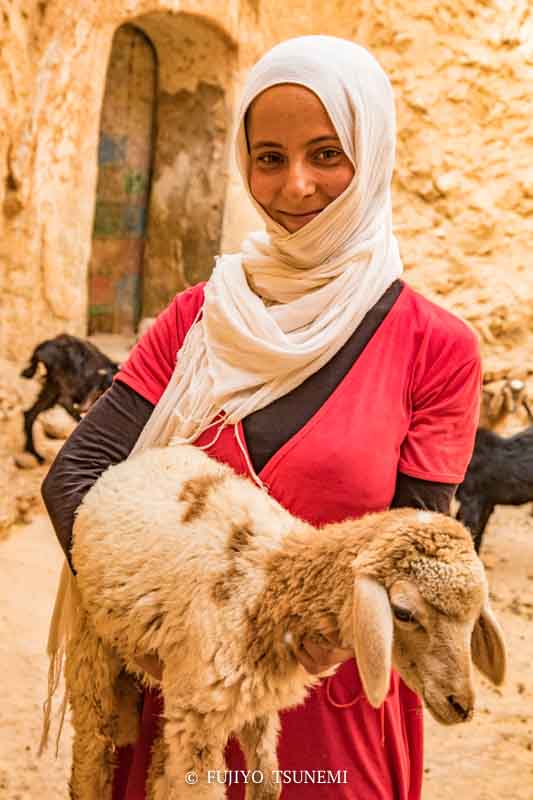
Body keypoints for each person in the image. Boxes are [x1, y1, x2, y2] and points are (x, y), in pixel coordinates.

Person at [42, 35, 481, 800]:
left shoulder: (433, 348)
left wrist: (296, 644)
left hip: (328, 708)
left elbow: (411, 551)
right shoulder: (197, 321)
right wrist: (154, 624)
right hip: (186, 699)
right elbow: (74, 476)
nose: (296, 184)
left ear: (372, 155)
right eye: (269, 157)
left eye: (326, 153)